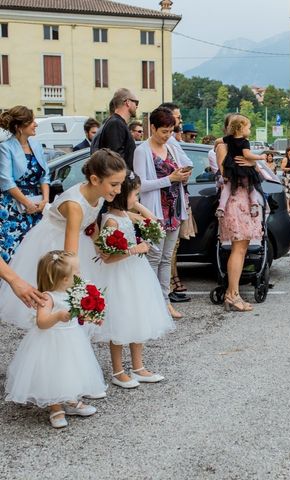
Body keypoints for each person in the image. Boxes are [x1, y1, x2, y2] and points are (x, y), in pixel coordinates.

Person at [0, 149, 126, 329]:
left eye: (120, 184)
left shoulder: (99, 193)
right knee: (59, 291)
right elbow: (69, 255)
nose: (119, 190)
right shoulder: (75, 205)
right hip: (55, 243)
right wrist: (80, 289)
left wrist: (99, 246)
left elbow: (91, 222)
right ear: (95, 180)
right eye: (114, 184)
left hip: (76, 239)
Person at [5, 251, 107, 428]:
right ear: (65, 279)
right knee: (52, 372)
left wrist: (92, 317)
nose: (80, 275)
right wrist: (58, 316)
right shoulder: (48, 298)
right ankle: (55, 406)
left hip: (72, 339)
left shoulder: (73, 292)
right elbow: (42, 322)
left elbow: (78, 314)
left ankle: (71, 400)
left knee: (71, 369)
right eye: (77, 273)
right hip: (51, 341)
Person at [94, 172, 174, 389]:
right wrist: (133, 249)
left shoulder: (124, 214)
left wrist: (136, 204)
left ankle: (138, 367)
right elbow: (106, 258)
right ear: (121, 195)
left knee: (137, 317)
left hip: (136, 273)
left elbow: (153, 221)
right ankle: (118, 371)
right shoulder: (111, 220)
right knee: (120, 321)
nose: (137, 198)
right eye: (135, 194)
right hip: (120, 275)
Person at [133, 107, 191, 320]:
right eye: (163, 131)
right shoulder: (142, 151)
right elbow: (139, 186)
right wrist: (170, 179)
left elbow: (181, 168)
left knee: (167, 257)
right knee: (153, 257)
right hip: (155, 210)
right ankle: (149, 303)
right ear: (153, 127)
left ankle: (165, 302)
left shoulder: (172, 147)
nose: (167, 136)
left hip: (173, 208)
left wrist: (183, 176)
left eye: (170, 131)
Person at [215, 125, 263, 312]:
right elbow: (223, 174)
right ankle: (232, 295)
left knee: (241, 249)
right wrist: (252, 164)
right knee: (238, 248)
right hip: (235, 202)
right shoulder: (224, 147)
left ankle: (234, 294)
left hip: (242, 201)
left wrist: (252, 164)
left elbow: (258, 173)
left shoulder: (236, 147)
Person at [0, 106, 50, 261]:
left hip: (38, 207)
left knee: (38, 252)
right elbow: (6, 181)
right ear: (19, 127)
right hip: (14, 208)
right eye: (31, 122)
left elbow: (45, 176)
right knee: (15, 252)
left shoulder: (36, 145)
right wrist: (27, 203)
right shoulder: (5, 147)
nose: (35, 124)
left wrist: (45, 200)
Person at [158, 102, 194, 304]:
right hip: (165, 202)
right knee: (165, 250)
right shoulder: (166, 143)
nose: (180, 120)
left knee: (172, 247)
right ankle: (169, 287)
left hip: (177, 197)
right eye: (177, 117)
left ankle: (171, 285)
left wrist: (184, 173)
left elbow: (186, 162)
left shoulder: (172, 142)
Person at [217, 116, 266, 218]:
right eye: (248, 128)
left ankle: (221, 207)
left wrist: (214, 146)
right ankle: (254, 203)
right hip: (243, 168)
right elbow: (247, 155)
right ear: (241, 128)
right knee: (250, 185)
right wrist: (260, 157)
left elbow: (218, 140)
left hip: (231, 167)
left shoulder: (229, 139)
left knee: (227, 187)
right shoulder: (245, 142)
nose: (250, 130)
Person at [91, 88, 138, 169]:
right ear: (128, 102)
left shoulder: (116, 122)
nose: (137, 106)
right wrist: (130, 177)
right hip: (120, 178)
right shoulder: (116, 123)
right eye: (136, 102)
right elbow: (116, 160)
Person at [281, 147, 290, 213]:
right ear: (288, 152)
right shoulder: (285, 159)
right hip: (286, 176)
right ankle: (287, 208)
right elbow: (282, 168)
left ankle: (288, 207)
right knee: (287, 192)